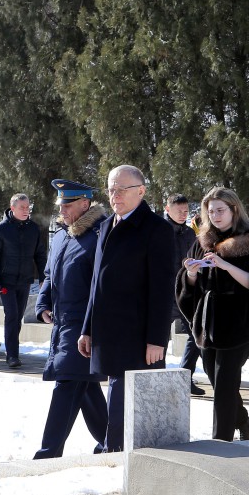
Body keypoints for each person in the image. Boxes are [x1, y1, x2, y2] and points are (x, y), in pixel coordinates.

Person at [77, 164, 176, 452]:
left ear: (141, 191)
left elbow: (162, 287)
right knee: (114, 396)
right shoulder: (106, 225)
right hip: (107, 333)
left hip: (138, 334)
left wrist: (157, 338)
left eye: (122, 189)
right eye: (111, 189)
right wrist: (87, 329)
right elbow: (97, 283)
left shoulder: (157, 229)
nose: (115, 195)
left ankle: (115, 452)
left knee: (126, 402)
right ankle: (113, 448)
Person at [176, 187, 249, 441]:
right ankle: (246, 423)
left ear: (234, 210)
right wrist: (190, 273)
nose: (215, 216)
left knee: (224, 384)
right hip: (208, 322)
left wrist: (225, 265)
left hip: (240, 321)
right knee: (219, 381)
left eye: (220, 210)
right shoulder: (203, 240)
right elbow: (188, 286)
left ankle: (220, 442)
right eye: (211, 211)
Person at [33, 179, 108, 459]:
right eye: (60, 205)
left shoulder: (99, 235)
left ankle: (48, 453)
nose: (61, 210)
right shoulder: (63, 235)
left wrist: (89, 326)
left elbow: (101, 286)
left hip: (83, 328)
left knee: (66, 383)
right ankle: (111, 442)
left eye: (67, 204)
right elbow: (50, 274)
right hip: (63, 324)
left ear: (85, 204)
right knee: (84, 386)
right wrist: (43, 304)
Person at [0, 193, 47, 368]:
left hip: (25, 280)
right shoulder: (1, 229)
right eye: (22, 207)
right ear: (12, 208)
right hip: (6, 282)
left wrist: (44, 277)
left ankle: (12, 350)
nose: (26, 210)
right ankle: (12, 355)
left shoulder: (33, 229)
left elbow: (40, 255)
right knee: (12, 315)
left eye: (28, 207)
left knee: (18, 316)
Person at [164, 193, 204, 396]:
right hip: (163, 295)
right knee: (159, 341)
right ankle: (158, 378)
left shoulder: (190, 234)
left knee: (196, 336)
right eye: (179, 211)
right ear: (167, 208)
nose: (183, 214)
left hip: (186, 294)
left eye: (186, 211)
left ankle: (185, 377)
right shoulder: (159, 232)